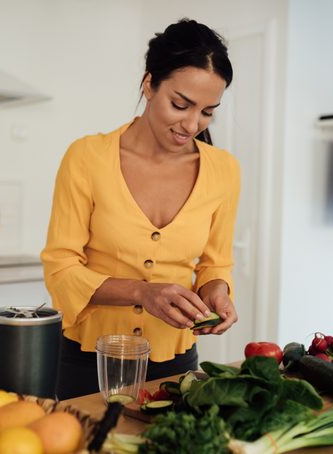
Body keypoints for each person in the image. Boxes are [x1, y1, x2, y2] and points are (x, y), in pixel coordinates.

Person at [41, 18, 241, 400]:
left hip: (177, 362)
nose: (192, 124)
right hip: (87, 360)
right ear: (149, 84)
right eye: (180, 104)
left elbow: (216, 263)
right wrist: (143, 292)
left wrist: (218, 291)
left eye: (207, 112)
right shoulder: (87, 157)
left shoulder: (224, 170)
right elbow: (61, 269)